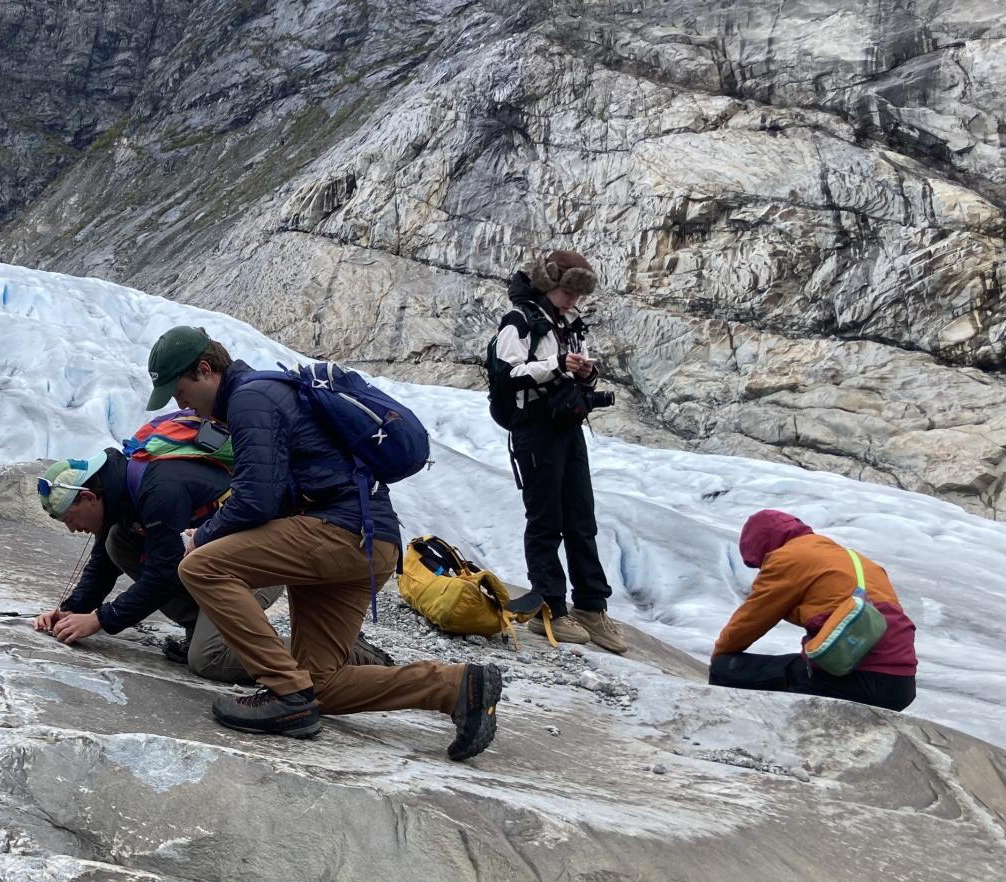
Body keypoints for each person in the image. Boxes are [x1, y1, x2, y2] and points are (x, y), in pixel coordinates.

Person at [151, 326, 502, 760]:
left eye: (181, 392)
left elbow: (256, 500)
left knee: (202, 566)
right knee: (322, 685)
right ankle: (455, 686)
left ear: (205, 370)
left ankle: (285, 694)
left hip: (338, 532)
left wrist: (201, 536)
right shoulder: (266, 393)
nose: (181, 405)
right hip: (369, 542)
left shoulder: (250, 398)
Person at [31, 448, 392, 683]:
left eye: (68, 516)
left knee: (209, 660)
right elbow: (103, 564)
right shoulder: (119, 494)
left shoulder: (157, 491)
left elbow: (160, 575)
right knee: (116, 543)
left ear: (89, 497)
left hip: (253, 565)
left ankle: (344, 654)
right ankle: (202, 627)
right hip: (212, 566)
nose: (71, 527)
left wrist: (99, 620)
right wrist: (67, 612)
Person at [491, 250, 628, 654]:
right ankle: (549, 607)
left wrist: (583, 372)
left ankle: (590, 606)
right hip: (535, 430)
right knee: (546, 519)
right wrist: (557, 365)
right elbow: (507, 375)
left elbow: (561, 369)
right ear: (549, 284)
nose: (572, 300)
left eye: (576, 294)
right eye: (568, 291)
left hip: (566, 427)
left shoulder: (569, 323)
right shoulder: (519, 321)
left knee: (581, 518)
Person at [709, 510, 917, 711]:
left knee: (727, 669)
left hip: (855, 678)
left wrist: (719, 655)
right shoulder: (856, 560)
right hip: (901, 685)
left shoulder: (788, 558)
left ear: (763, 545)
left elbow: (751, 619)